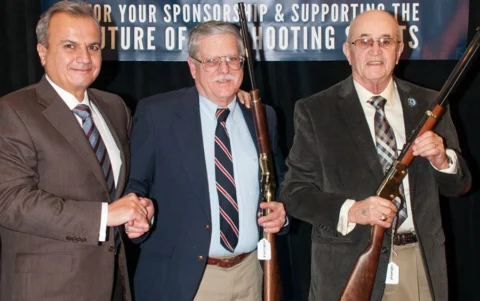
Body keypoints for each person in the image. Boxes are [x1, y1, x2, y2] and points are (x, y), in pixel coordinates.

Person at [280, 10, 471, 301]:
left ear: (399, 51)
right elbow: (294, 193)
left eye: (385, 41)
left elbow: (459, 185)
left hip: (419, 264)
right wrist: (353, 211)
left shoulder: (429, 103)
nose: (375, 50)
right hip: (348, 267)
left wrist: (442, 160)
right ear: (348, 51)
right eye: (364, 41)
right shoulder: (316, 110)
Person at [0, 1, 154, 300]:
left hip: (113, 285)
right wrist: (104, 215)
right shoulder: (13, 110)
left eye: (93, 47)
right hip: (47, 290)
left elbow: (112, 190)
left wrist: (137, 213)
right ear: (42, 52)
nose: (84, 57)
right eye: (69, 45)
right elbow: (9, 202)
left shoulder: (115, 108)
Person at [124, 21, 287, 301]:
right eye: (211, 61)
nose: (224, 70)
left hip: (251, 274)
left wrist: (282, 214)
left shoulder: (262, 117)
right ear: (192, 66)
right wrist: (137, 215)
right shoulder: (158, 114)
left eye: (232, 59)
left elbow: (280, 181)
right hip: (185, 280)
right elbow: (134, 184)